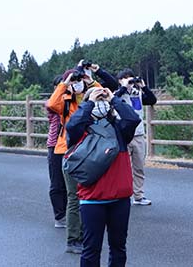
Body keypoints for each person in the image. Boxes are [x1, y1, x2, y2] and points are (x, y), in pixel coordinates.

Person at [47, 62, 117, 254]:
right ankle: (73, 239)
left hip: (88, 151)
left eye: (79, 80)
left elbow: (107, 90)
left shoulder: (90, 97)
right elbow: (51, 104)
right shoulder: (65, 100)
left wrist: (90, 80)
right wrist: (65, 83)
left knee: (88, 196)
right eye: (74, 80)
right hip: (70, 151)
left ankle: (85, 235)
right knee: (74, 197)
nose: (77, 83)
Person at [66, 87, 140, 267]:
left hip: (120, 199)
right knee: (91, 249)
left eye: (102, 101)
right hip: (92, 200)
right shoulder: (81, 131)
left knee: (118, 248)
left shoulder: (119, 129)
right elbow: (72, 124)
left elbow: (133, 118)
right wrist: (89, 101)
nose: (100, 104)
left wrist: (113, 98)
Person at [115, 69, 157, 206]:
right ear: (120, 80)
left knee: (139, 167)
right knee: (123, 167)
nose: (130, 82)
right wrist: (123, 87)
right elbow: (113, 100)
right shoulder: (116, 95)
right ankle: (122, 194)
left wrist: (143, 86)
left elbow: (152, 100)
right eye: (126, 78)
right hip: (124, 135)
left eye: (131, 79)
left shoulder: (137, 94)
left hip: (138, 134)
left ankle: (138, 195)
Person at [45, 75, 67, 228]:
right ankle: (60, 216)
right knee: (57, 183)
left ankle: (73, 214)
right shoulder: (52, 103)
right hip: (54, 146)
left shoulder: (72, 100)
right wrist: (63, 86)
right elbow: (52, 104)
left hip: (69, 145)